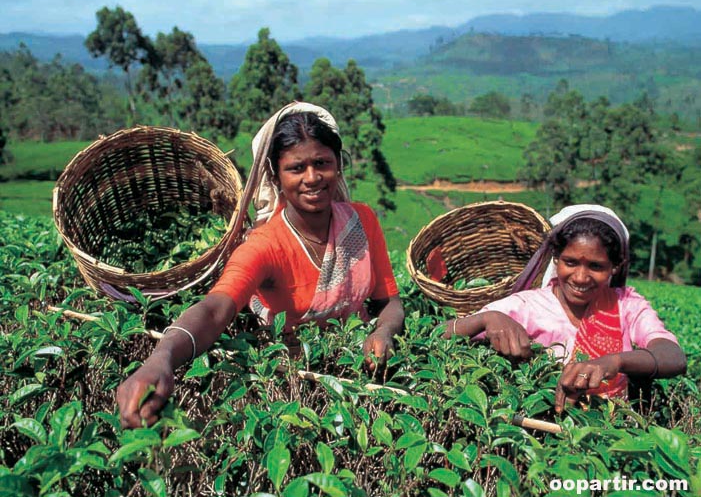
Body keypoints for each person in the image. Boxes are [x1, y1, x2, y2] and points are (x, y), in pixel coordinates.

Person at [117, 102, 404, 429]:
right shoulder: (265, 245)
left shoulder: (361, 220)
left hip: (361, 376)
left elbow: (389, 301)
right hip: (294, 392)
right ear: (276, 175)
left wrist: (383, 331)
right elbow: (214, 309)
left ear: (338, 165)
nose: (312, 178)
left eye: (322, 163)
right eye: (296, 168)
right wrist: (161, 358)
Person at [443, 205, 686, 413]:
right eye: (571, 262)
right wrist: (487, 319)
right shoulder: (527, 306)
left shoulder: (626, 305)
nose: (581, 277)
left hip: (611, 435)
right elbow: (439, 334)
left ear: (615, 266)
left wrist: (614, 361)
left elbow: (672, 356)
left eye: (596, 266)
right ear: (556, 258)